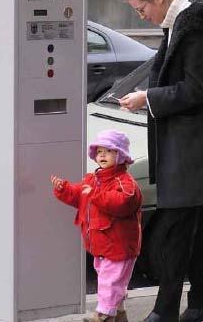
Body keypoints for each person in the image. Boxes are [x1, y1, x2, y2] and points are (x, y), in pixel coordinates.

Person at [119, 0, 203, 322]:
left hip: (193, 149)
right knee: (194, 232)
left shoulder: (194, 31)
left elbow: (199, 88)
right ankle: (201, 305)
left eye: (141, 9)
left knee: (174, 234)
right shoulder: (180, 23)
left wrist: (148, 97)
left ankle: (164, 312)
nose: (141, 15)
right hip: (188, 145)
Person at [50, 129, 142, 322]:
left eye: (108, 151)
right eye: (99, 151)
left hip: (119, 246)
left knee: (109, 282)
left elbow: (122, 202)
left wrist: (95, 194)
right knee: (110, 281)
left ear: (120, 156)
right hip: (102, 246)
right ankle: (118, 314)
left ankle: (103, 316)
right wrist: (64, 189)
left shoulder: (125, 183)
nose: (102, 155)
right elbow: (79, 195)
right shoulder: (92, 179)